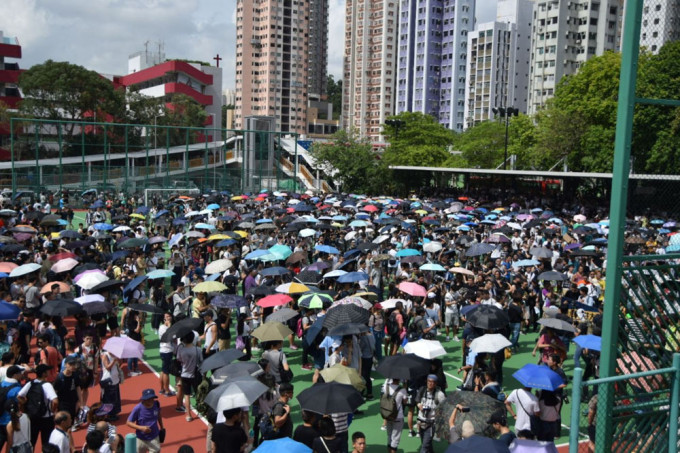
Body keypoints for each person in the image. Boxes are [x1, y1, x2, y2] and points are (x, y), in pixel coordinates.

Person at [17, 364, 59, 448]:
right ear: (44, 374)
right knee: (46, 443)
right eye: (47, 371)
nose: (49, 372)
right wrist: (52, 410)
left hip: (33, 417)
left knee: (31, 442)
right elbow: (55, 401)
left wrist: (24, 408)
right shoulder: (47, 385)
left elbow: (19, 396)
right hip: (46, 418)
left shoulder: (30, 383)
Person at [176, 332, 202, 422]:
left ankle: (188, 415)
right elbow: (201, 361)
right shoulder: (198, 349)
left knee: (186, 395)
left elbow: (179, 359)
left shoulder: (181, 349)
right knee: (198, 393)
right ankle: (201, 409)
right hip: (195, 374)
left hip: (184, 374)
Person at [415, 374, 445, 453]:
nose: (430, 383)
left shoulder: (440, 394)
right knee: (426, 444)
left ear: (435, 384)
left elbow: (444, 407)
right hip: (421, 421)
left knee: (424, 447)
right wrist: (419, 405)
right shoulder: (422, 390)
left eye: (432, 382)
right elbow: (417, 399)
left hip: (431, 424)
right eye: (429, 381)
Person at [127, 389, 164, 453]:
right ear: (144, 399)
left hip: (154, 437)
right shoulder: (138, 408)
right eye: (148, 399)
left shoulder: (156, 404)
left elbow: (159, 415)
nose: (150, 400)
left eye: (152, 398)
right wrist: (141, 428)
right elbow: (128, 422)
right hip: (140, 439)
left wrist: (162, 427)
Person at [0, 366, 25, 451]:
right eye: (20, 373)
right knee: (12, 445)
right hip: (10, 421)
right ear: (15, 375)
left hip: (0, 419)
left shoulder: (1, 384)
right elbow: (22, 403)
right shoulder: (17, 389)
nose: (21, 374)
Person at [53, 356, 83, 424]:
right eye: (70, 364)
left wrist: (80, 402)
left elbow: (78, 388)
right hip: (63, 403)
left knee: (71, 422)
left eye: (73, 364)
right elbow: (55, 392)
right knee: (64, 422)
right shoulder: (59, 378)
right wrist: (54, 407)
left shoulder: (75, 375)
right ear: (65, 364)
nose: (72, 366)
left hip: (73, 402)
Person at [381, 378, 407, 453]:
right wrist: (405, 387)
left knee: (389, 436)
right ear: (399, 379)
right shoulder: (402, 390)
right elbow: (405, 402)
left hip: (387, 415)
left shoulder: (386, 387)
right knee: (395, 438)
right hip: (398, 416)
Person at [99, 346, 122, 420]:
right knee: (108, 399)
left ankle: (113, 414)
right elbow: (107, 367)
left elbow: (119, 365)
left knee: (115, 398)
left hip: (115, 380)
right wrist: (114, 361)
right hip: (108, 380)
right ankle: (107, 415)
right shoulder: (105, 355)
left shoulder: (114, 356)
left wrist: (119, 360)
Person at [157, 313, 176, 397]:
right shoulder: (163, 328)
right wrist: (169, 327)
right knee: (166, 372)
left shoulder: (165, 327)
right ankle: (167, 391)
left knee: (163, 370)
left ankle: (162, 389)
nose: (169, 318)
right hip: (166, 351)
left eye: (169, 316)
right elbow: (171, 337)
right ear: (163, 319)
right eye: (167, 317)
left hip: (164, 350)